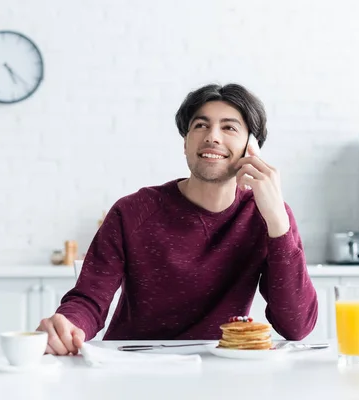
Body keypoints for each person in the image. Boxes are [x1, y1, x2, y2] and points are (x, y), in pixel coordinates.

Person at [37, 83, 318, 355]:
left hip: (218, 369)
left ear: (251, 147)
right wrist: (68, 326)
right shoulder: (133, 211)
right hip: (134, 366)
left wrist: (279, 224)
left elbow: (296, 326)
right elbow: (89, 299)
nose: (213, 137)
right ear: (185, 143)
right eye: (201, 125)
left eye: (229, 127)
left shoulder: (269, 217)